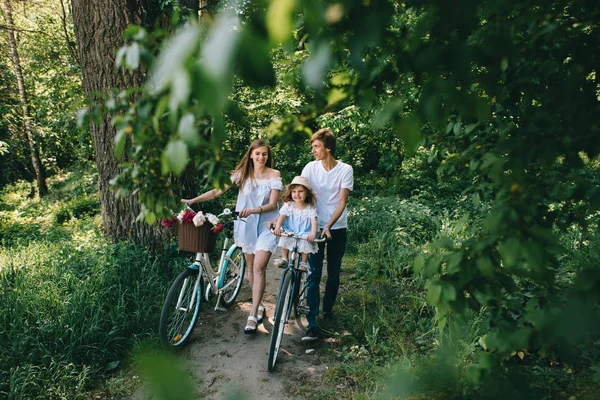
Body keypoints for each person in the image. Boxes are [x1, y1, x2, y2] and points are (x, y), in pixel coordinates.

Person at [182, 139, 282, 334]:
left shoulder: (274, 175)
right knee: (251, 267)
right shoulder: (242, 175)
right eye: (258, 153)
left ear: (268, 156)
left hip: (266, 223)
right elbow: (217, 191)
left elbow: (272, 204)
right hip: (246, 225)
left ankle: (253, 314)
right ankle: (259, 304)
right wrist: (194, 200)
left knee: (259, 267)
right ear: (251, 155)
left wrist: (253, 210)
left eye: (264, 154)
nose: (261, 157)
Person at [300, 128, 353, 341]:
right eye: (313, 146)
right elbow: (299, 192)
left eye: (316, 146)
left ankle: (327, 309)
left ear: (328, 148)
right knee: (313, 273)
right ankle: (312, 322)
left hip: (337, 228)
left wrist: (329, 225)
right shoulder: (310, 168)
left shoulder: (345, 169)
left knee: (333, 272)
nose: (313, 150)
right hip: (315, 228)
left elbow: (342, 201)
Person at [272, 176, 318, 272]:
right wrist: (278, 226)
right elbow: (282, 216)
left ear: (307, 193)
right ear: (291, 193)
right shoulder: (289, 205)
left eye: (300, 191)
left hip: (304, 231)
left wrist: (313, 233)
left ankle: (303, 262)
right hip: (291, 230)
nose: (297, 194)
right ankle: (285, 258)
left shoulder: (310, 207)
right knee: (285, 237)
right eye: (294, 192)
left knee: (306, 242)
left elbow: (314, 220)